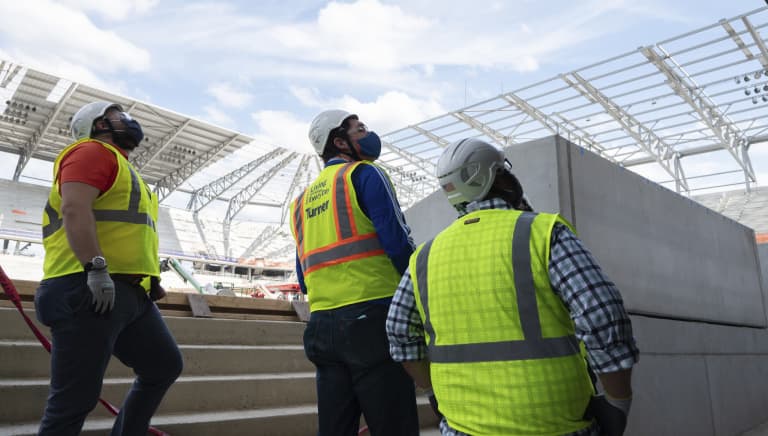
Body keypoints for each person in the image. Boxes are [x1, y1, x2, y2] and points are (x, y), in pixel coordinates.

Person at [386, 138, 639, 436]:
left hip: (461, 426)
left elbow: (398, 331)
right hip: (554, 425)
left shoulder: (424, 257)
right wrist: (617, 403)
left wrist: (431, 392)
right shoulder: (543, 233)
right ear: (496, 177)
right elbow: (602, 316)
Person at [35, 101, 183, 435]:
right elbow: (75, 208)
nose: (129, 121)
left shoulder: (123, 168)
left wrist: (149, 279)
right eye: (120, 116)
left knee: (163, 365)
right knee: (74, 400)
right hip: (85, 287)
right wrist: (96, 268)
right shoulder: (91, 151)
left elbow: (128, 232)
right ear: (99, 124)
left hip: (128, 292)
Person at [290, 110, 419, 435]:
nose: (367, 133)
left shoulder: (301, 202)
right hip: (371, 320)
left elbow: (303, 275)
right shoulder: (364, 175)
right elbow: (398, 244)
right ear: (339, 142)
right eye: (359, 129)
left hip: (321, 328)